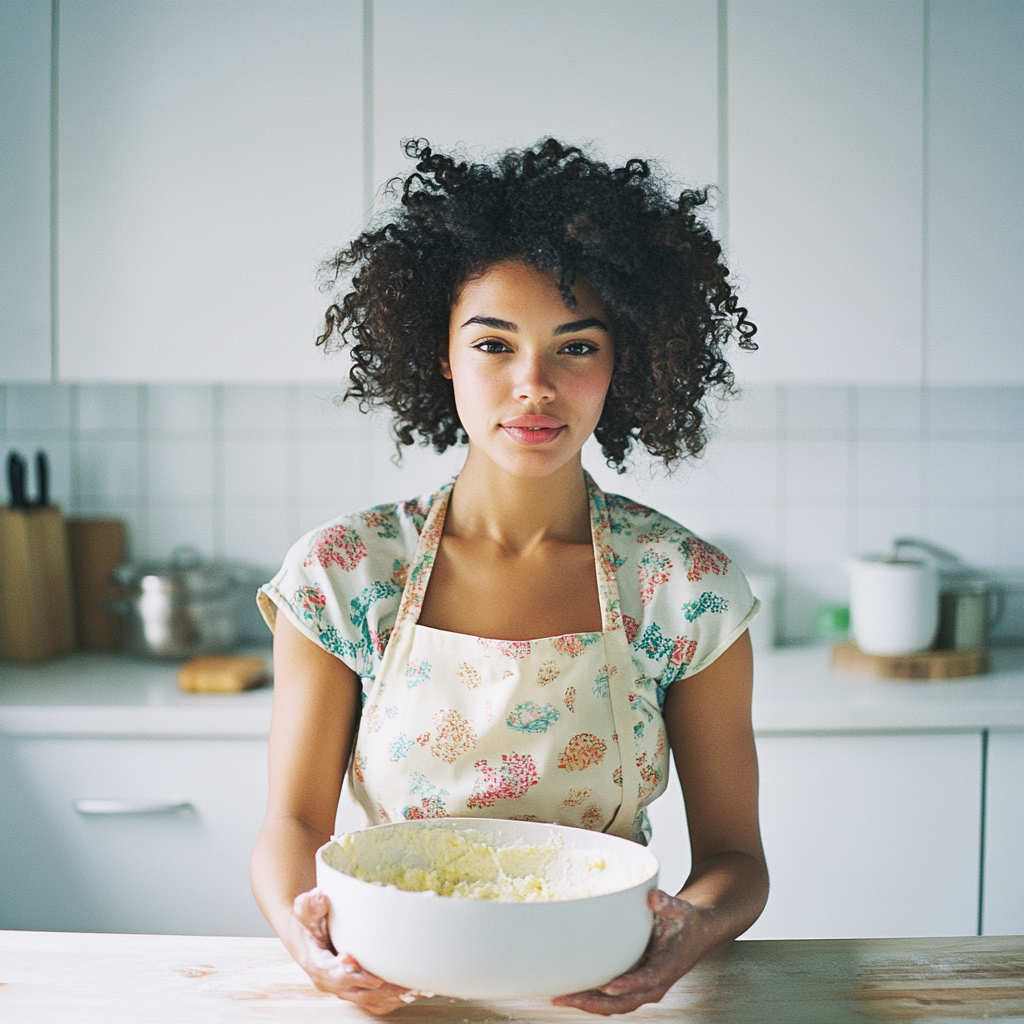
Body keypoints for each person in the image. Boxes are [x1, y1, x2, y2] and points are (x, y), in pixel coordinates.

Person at [250, 138, 767, 1016]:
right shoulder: (347, 573)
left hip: (596, 990)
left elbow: (735, 862)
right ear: (441, 355)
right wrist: (309, 941)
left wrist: (690, 929)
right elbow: (294, 827)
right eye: (494, 344)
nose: (534, 386)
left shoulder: (685, 588)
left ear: (624, 362)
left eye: (576, 347)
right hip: (399, 989)